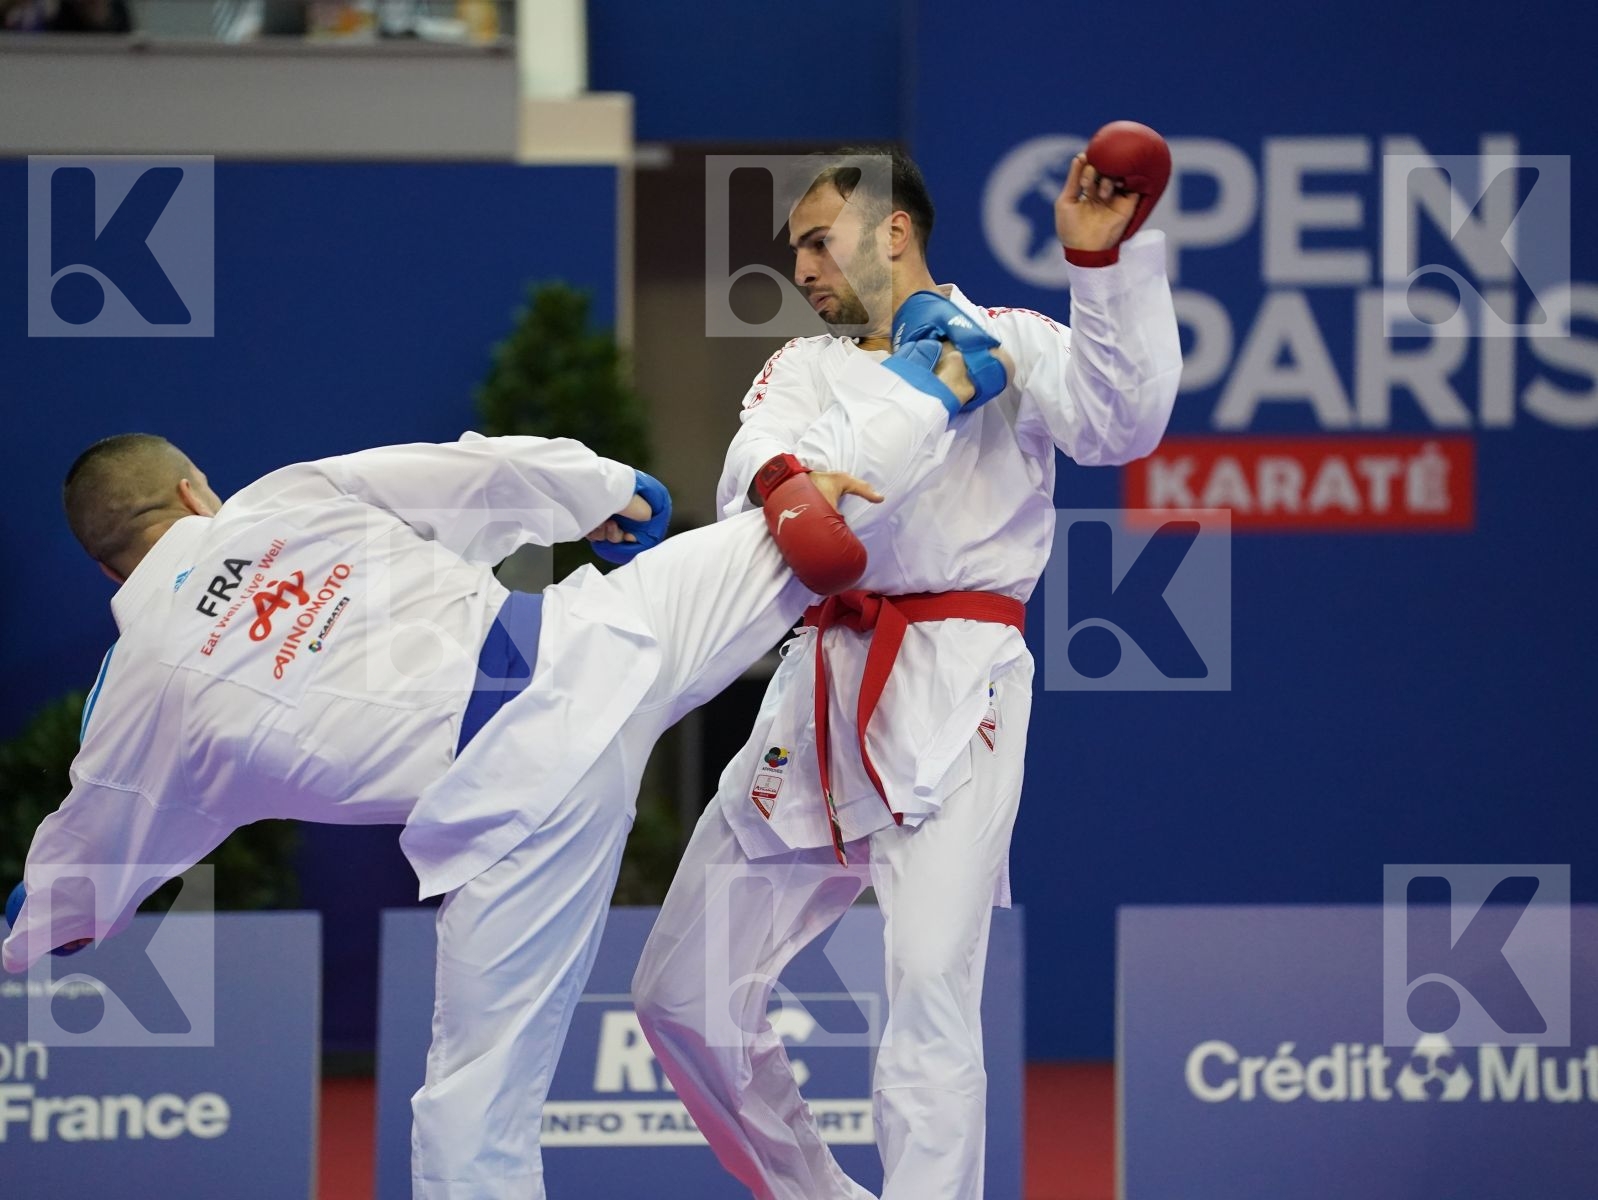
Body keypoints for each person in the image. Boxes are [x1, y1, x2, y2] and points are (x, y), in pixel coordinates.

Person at [1, 316, 1001, 1198]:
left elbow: (78, 879)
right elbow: (470, 469)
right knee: (790, 532)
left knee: (471, 1114)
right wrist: (609, 492)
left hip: (512, 810)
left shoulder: (137, 705)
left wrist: (34, 930)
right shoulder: (278, 502)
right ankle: (937, 379)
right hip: (588, 645)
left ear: (104, 566)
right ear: (191, 491)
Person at [632, 136, 1182, 1200]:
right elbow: (761, 484)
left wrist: (1098, 272)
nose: (799, 270)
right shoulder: (796, 367)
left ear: (893, 230)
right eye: (794, 251)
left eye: (816, 242)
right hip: (821, 678)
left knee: (929, 986)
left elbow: (1123, 424)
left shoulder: (1008, 342)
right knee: (679, 996)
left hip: (958, 678)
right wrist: (906, 394)